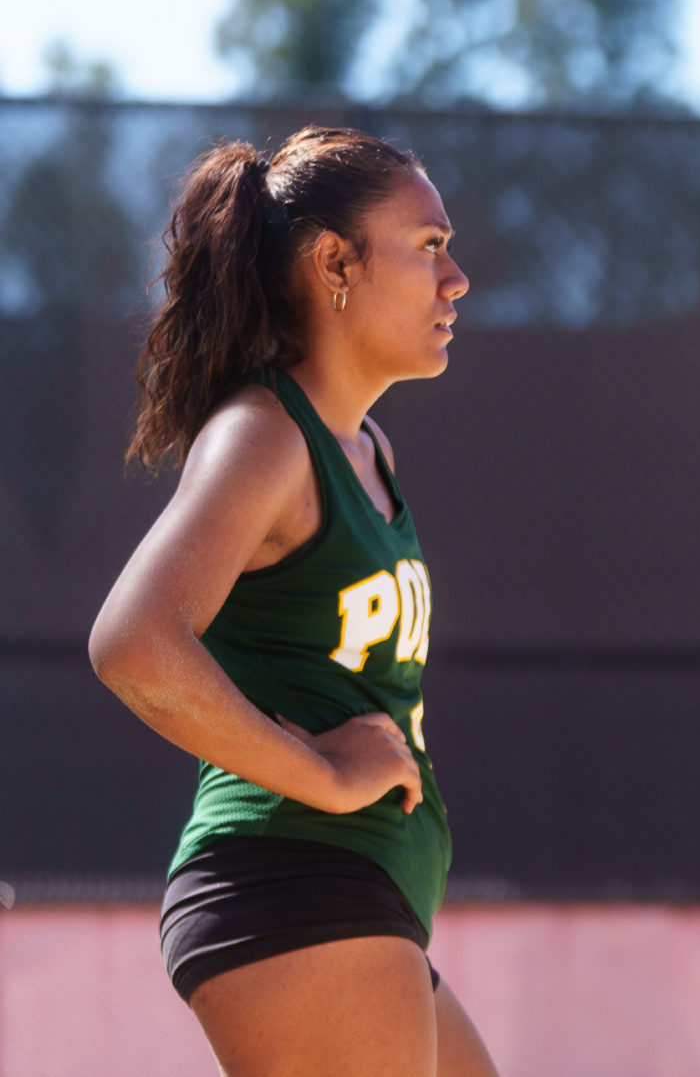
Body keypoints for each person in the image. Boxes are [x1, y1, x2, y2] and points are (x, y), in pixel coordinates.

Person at [88, 127, 496, 1077]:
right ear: (334, 265)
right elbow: (133, 642)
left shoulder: (368, 447)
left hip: (359, 894)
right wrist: (325, 776)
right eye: (430, 246)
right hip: (292, 881)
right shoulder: (265, 435)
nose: (457, 279)